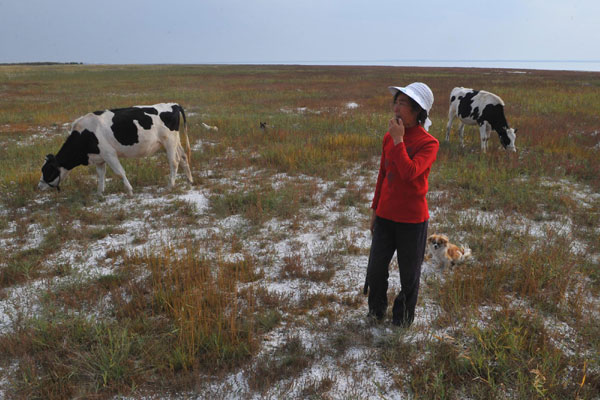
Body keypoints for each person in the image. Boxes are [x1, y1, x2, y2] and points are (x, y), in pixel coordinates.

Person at [365, 82, 439, 327]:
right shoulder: (389, 137)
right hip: (386, 217)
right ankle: (376, 311)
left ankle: (402, 321)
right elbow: (383, 175)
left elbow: (409, 173)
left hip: (412, 222)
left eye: (403, 103)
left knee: (409, 276)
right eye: (395, 102)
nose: (396, 108)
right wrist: (375, 209)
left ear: (418, 110)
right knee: (375, 269)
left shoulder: (428, 143)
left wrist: (399, 141)